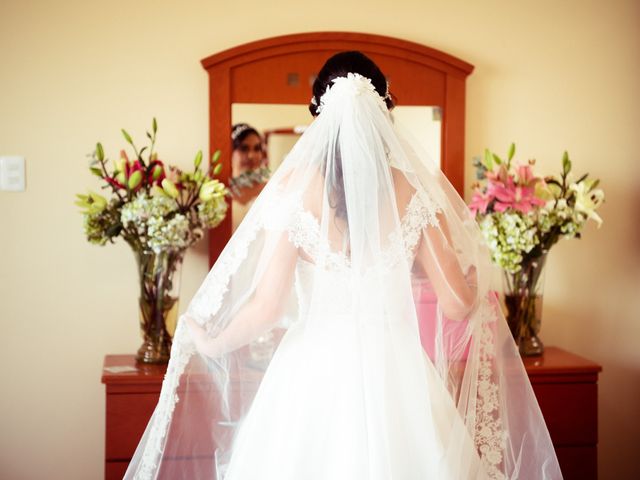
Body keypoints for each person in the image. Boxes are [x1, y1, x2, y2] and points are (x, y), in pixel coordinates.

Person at [124, 51, 562, 480]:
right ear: (384, 108)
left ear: (318, 113)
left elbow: (267, 306)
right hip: (397, 373)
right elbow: (455, 304)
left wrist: (213, 342)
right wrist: (468, 281)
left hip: (311, 371)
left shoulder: (296, 190)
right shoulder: (413, 191)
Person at [229, 123, 270, 231]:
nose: (251, 155)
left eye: (257, 149)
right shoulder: (220, 191)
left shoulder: (271, 188)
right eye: (244, 149)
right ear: (230, 152)